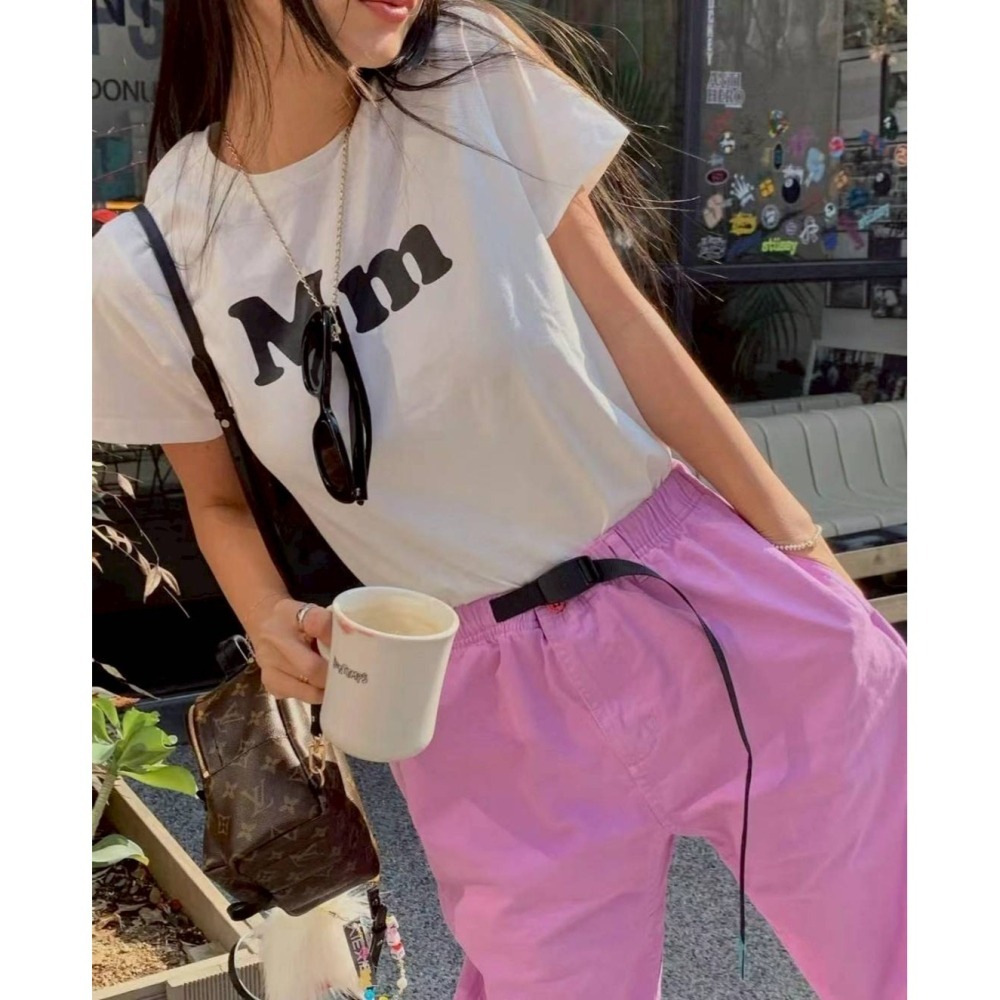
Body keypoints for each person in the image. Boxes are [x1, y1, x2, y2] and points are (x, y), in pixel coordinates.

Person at [92, 3, 906, 998]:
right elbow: (214, 500)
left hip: (691, 584)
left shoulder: (467, 74)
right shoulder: (156, 265)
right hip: (472, 694)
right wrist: (268, 620)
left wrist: (807, 559)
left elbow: (627, 326)